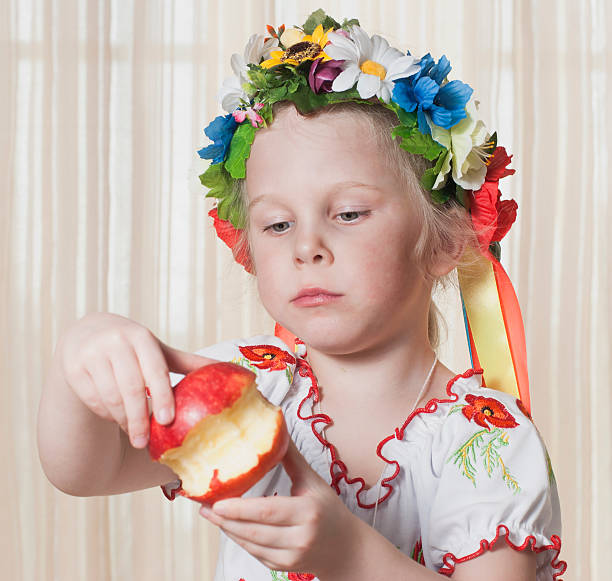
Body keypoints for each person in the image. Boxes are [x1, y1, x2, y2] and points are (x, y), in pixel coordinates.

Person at [37, 10, 567, 581]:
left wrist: (350, 556)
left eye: (348, 213)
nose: (306, 247)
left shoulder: (488, 439)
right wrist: (80, 356)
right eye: (277, 225)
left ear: (443, 239)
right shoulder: (246, 387)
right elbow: (86, 471)